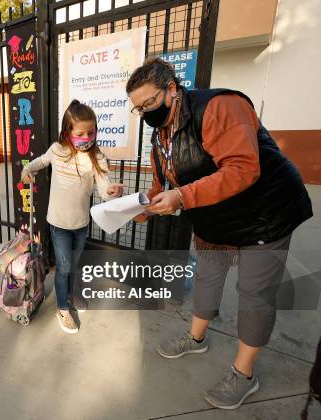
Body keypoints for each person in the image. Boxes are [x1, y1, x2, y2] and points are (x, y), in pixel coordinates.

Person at [126, 58, 312, 410]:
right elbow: (164, 183)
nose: (146, 112)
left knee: (254, 294)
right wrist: (144, 206)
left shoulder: (219, 107)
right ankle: (196, 337)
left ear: (172, 89)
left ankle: (244, 374)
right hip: (214, 217)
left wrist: (182, 197)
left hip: (265, 214)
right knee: (208, 277)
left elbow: (243, 169)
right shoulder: (160, 133)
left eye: (149, 103)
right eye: (139, 108)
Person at [21, 100, 124, 334]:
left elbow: (103, 188)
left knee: (73, 265)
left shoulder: (97, 158)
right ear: (68, 132)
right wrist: (27, 170)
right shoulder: (57, 150)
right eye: (80, 133)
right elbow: (39, 162)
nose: (87, 137)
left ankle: (70, 294)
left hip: (80, 225)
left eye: (91, 132)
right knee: (64, 267)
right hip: (58, 224)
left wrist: (110, 192)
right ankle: (62, 308)